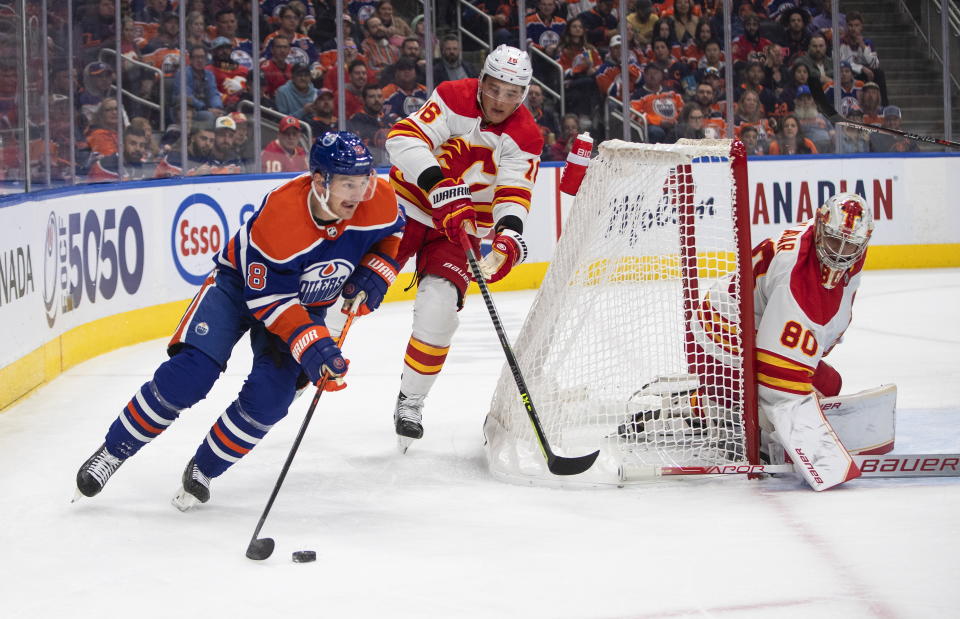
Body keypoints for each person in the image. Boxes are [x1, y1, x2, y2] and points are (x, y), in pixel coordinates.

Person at [75, 132, 405, 508]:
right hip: (240, 290)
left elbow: (394, 233)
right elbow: (269, 300)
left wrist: (378, 271)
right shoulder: (282, 217)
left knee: (271, 400)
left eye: (364, 182)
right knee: (189, 375)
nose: (359, 194)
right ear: (319, 181)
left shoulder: (376, 198)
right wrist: (313, 345)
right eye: (348, 183)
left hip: (304, 301)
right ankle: (114, 450)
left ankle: (204, 468)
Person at [384, 44, 543, 449]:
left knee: (438, 311)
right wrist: (438, 185)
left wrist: (508, 236)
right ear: (482, 81)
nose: (500, 100)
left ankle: (411, 401)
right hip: (405, 208)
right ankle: (300, 371)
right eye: (494, 88)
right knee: (351, 292)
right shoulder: (454, 96)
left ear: (523, 95)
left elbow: (514, 192)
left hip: (458, 229)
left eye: (512, 93)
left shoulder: (526, 134)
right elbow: (402, 140)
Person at [696, 193, 875, 490]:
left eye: (851, 246)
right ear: (820, 227)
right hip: (722, 331)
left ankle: (722, 405)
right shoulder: (795, 271)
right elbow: (776, 377)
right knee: (800, 398)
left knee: (830, 384)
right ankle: (703, 410)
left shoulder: (822, 240)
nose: (841, 254)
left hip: (738, 324)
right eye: (833, 242)